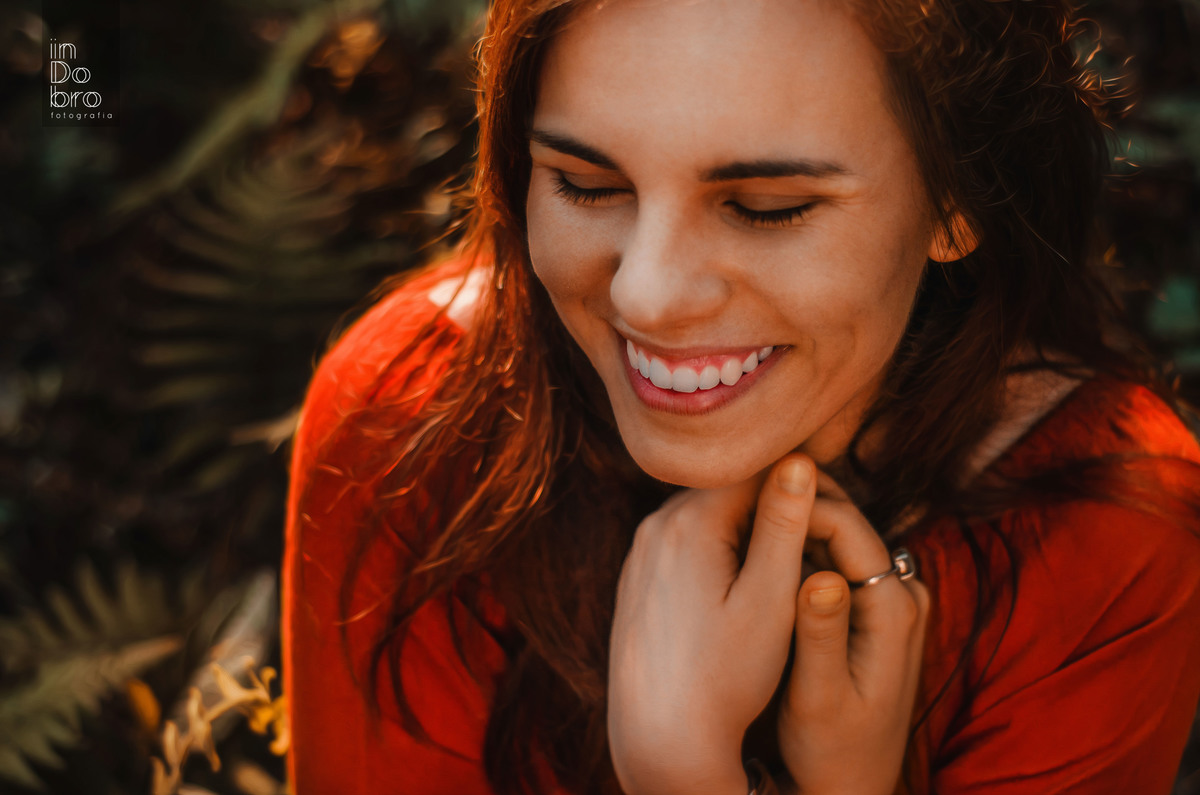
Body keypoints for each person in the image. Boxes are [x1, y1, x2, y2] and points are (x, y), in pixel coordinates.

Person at [280, 0, 1200, 793]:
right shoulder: (415, 417)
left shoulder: (1107, 527)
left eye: (765, 206)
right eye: (586, 185)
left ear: (959, 196)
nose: (646, 292)